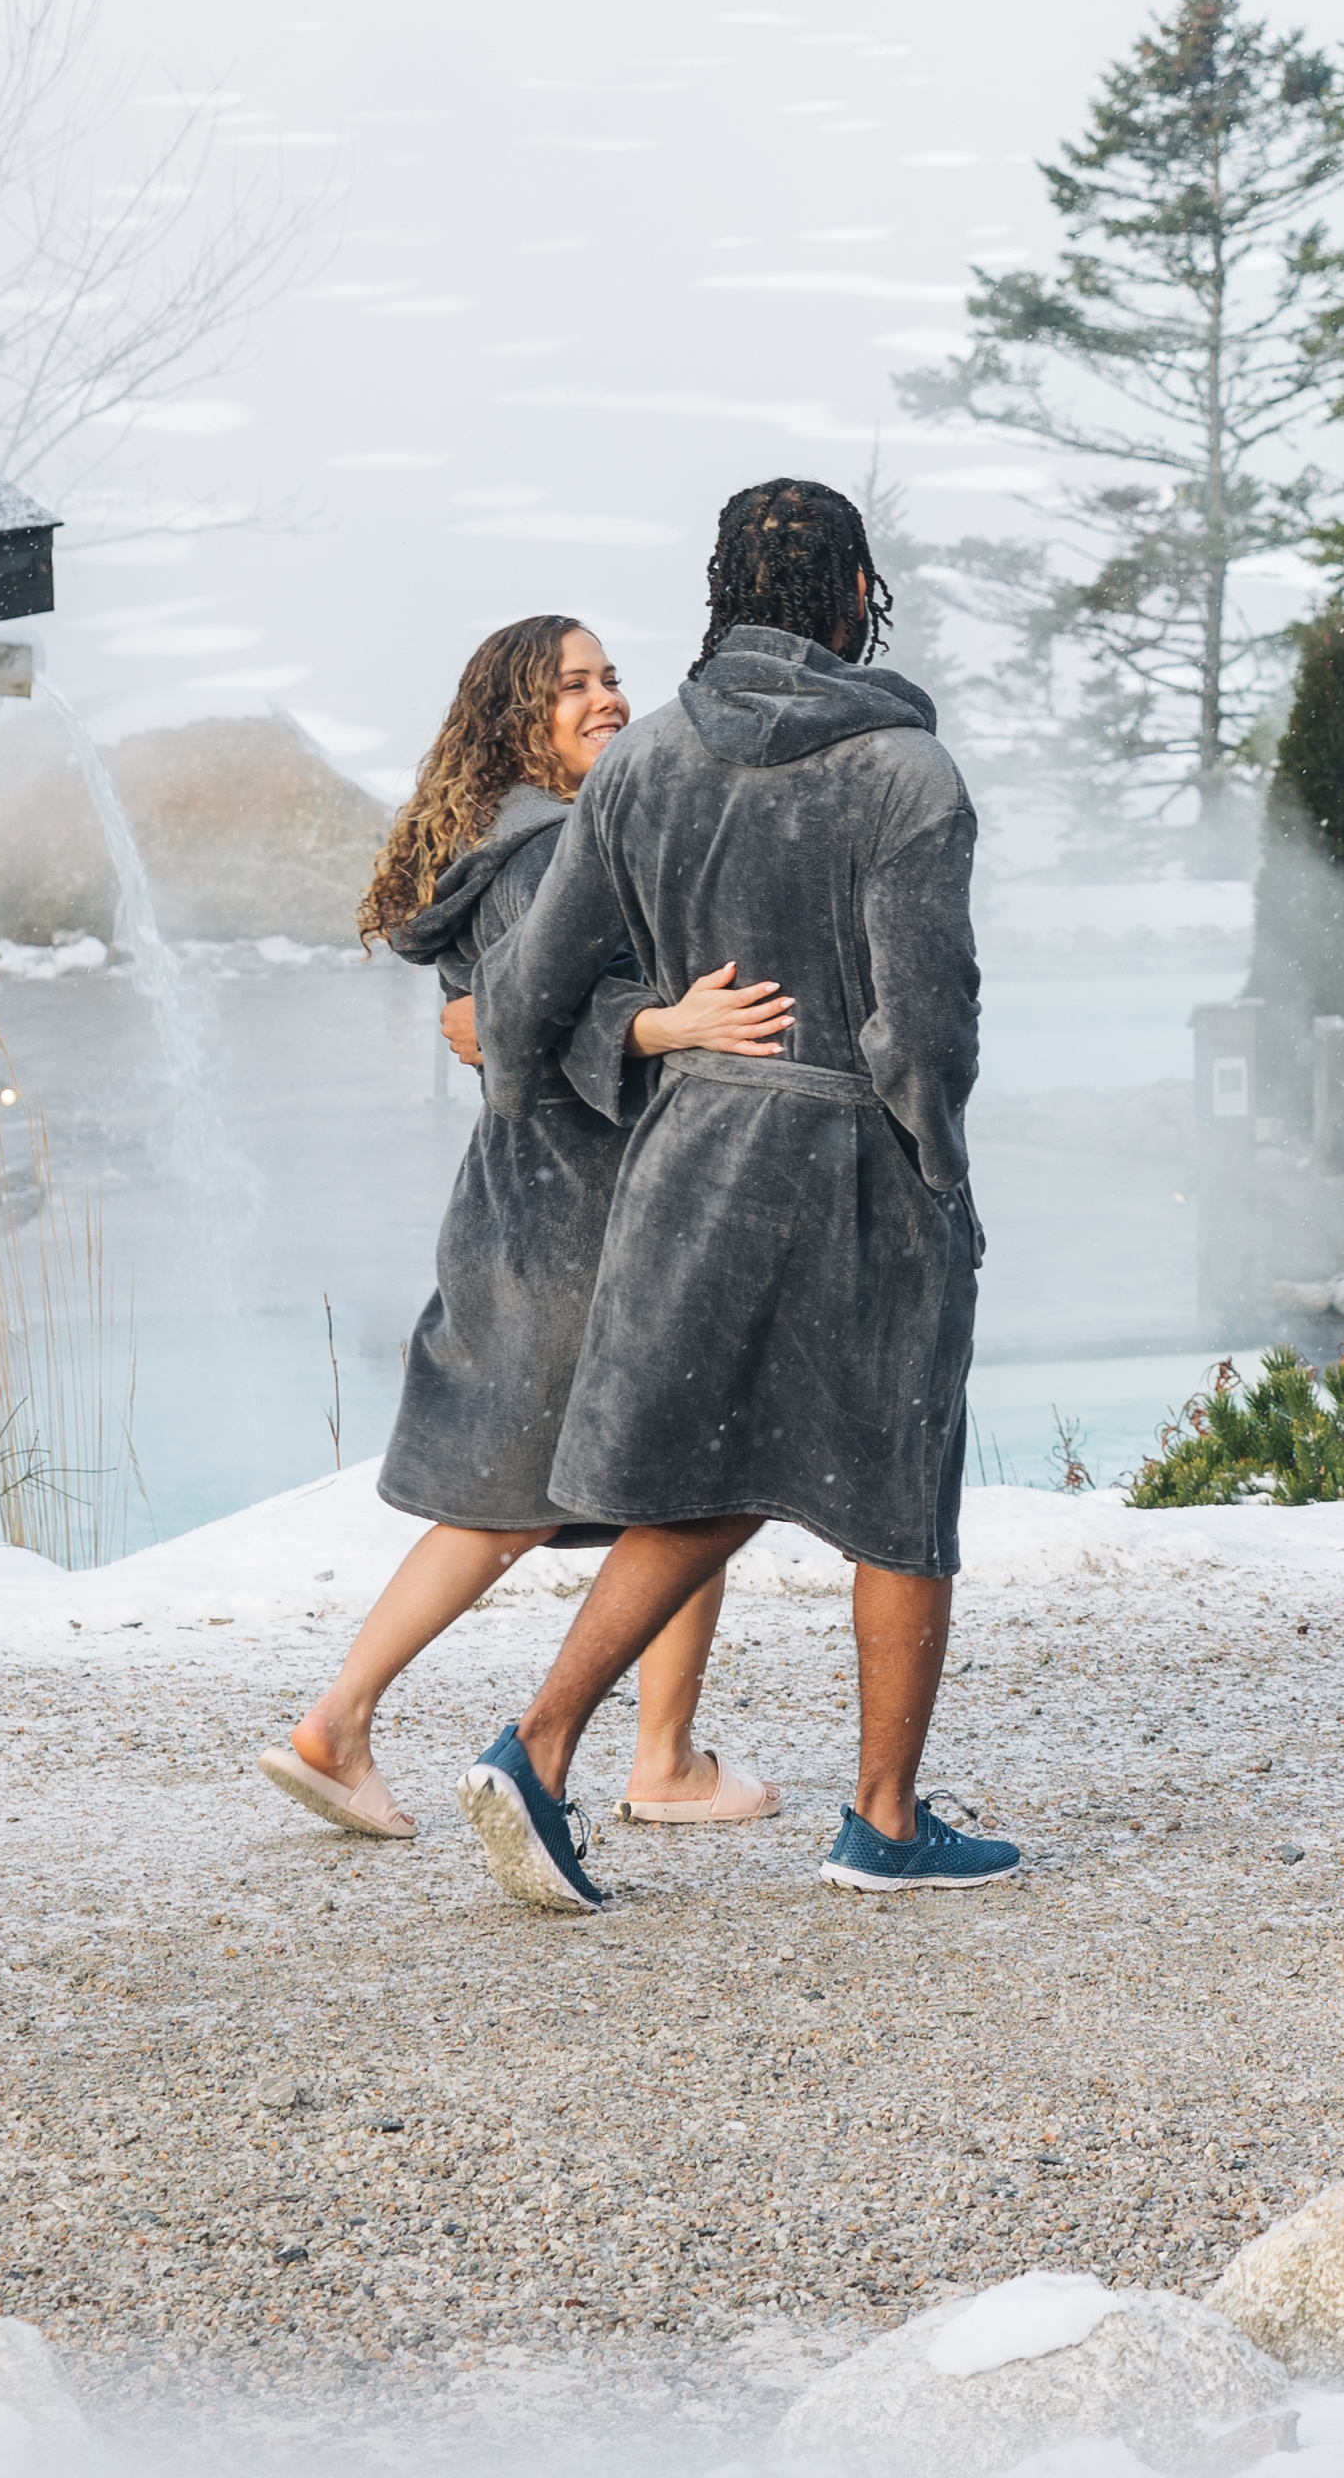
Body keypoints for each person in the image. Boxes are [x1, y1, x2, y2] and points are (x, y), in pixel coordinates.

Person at [457, 479, 1015, 1906]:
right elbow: (922, 1027)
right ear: (852, 595)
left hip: (691, 1165)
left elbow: (523, 1003)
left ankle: (537, 1745)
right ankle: (883, 1822)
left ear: (723, 593)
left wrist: (627, 1070)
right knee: (897, 1485)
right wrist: (937, 1173)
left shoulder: (643, 767)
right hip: (853, 1171)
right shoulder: (904, 774)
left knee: (705, 1477)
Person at [253, 613, 796, 1841]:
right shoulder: (547, 850)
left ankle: (657, 1753)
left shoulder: (519, 838)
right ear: (516, 716)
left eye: (610, 678)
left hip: (547, 1199)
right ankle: (348, 1727)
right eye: (571, 686)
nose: (605, 698)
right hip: (577, 1208)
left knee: (656, 1470)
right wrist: (668, 1026)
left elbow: (492, 1019)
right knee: (542, 1489)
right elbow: (533, 1012)